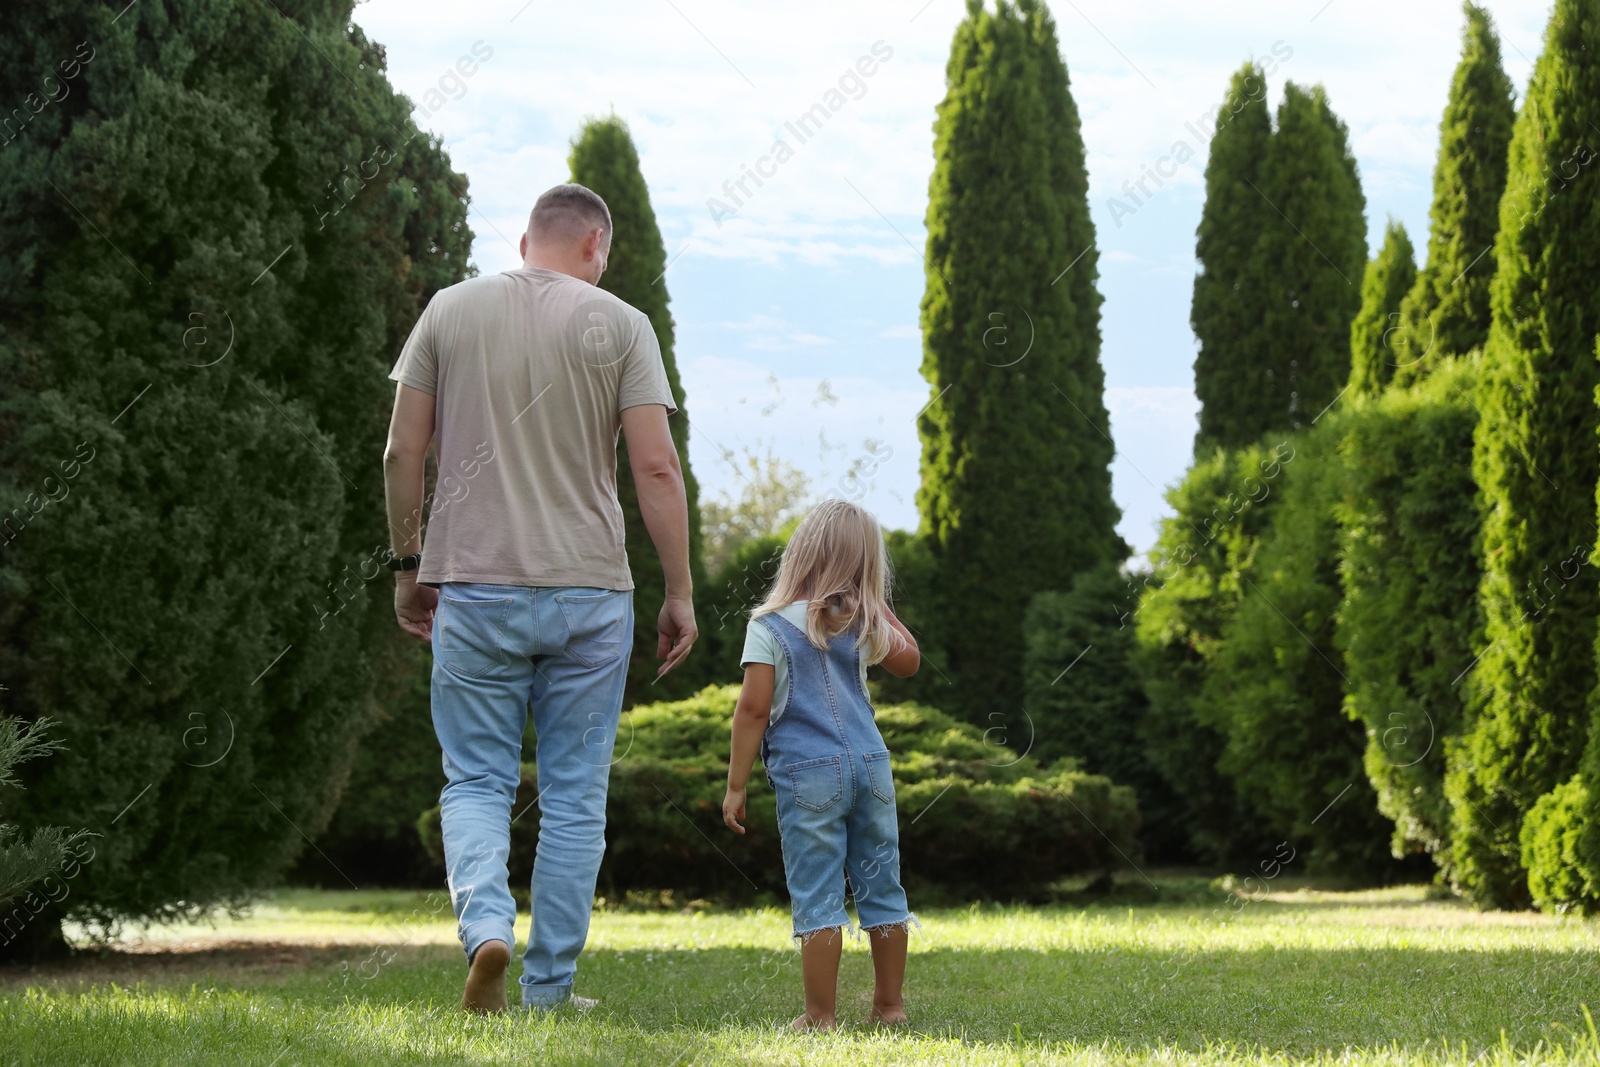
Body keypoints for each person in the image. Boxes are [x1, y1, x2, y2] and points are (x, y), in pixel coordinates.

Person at [382, 183, 697, 1013]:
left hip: (474, 589)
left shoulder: (450, 310)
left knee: (477, 782)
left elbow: (399, 449)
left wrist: (408, 565)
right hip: (590, 594)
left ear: (527, 243)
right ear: (596, 244)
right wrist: (681, 591)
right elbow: (657, 468)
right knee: (574, 795)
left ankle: (486, 925)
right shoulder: (622, 324)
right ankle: (549, 986)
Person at [720, 499, 921, 1030]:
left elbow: (754, 709)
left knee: (818, 892)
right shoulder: (861, 621)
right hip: (872, 766)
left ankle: (820, 1015)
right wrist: (875, 602)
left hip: (809, 774)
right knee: (882, 885)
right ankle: (890, 1006)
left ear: (800, 553)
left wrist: (736, 784)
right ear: (867, 564)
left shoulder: (769, 625)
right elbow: (910, 661)